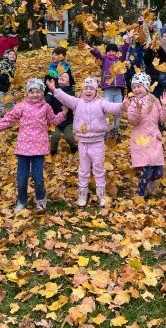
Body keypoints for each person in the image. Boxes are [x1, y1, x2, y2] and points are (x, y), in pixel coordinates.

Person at [0, 78, 67, 211]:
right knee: (21, 178)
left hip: (39, 148)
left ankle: (40, 198)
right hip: (23, 149)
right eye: (31, 92)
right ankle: (22, 200)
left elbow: (54, 120)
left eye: (37, 91)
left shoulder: (46, 107)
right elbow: (8, 120)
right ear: (26, 93)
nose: (34, 94)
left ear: (42, 93)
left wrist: (64, 113)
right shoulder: (21, 106)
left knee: (38, 177)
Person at [47, 77, 126, 207]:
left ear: (96, 91)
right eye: (86, 88)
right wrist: (55, 89)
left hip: (97, 143)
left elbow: (112, 107)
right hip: (83, 143)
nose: (88, 91)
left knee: (98, 169)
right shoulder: (76, 103)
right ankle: (82, 194)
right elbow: (65, 98)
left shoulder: (101, 103)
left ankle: (101, 194)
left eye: (91, 89)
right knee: (83, 170)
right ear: (82, 90)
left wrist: (122, 105)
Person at [126, 73, 166, 198]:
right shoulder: (133, 103)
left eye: (139, 86)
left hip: (154, 139)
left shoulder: (155, 101)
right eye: (134, 87)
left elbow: (163, 119)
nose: (136, 89)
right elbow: (132, 121)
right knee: (147, 168)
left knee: (158, 172)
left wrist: (165, 106)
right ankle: (140, 194)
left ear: (146, 87)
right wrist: (138, 110)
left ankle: (150, 184)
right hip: (141, 140)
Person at [85, 31, 132, 142]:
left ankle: (115, 129)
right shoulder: (105, 60)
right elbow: (98, 54)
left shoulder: (119, 60)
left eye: (113, 51)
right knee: (105, 111)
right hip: (108, 90)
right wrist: (90, 48)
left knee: (118, 111)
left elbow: (124, 49)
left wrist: (128, 38)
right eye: (109, 51)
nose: (111, 53)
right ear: (107, 53)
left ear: (116, 52)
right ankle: (105, 130)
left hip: (118, 90)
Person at [45, 73, 78, 156]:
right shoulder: (52, 90)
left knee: (69, 137)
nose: (62, 77)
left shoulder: (70, 91)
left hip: (67, 120)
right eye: (61, 76)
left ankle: (74, 149)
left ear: (69, 82)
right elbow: (47, 100)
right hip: (55, 119)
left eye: (65, 76)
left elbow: (71, 103)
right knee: (54, 137)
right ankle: (53, 153)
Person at [0, 49, 17, 118]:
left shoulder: (13, 65)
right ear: (6, 55)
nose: (12, 55)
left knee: (10, 102)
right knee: (1, 104)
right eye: (10, 54)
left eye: (14, 54)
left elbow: (12, 78)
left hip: (7, 87)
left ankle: (7, 118)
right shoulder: (2, 63)